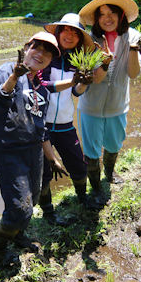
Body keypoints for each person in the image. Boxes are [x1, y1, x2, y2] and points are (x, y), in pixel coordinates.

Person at [0, 32, 66, 264]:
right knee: (20, 209)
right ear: (26, 47)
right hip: (9, 150)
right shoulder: (7, 71)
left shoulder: (40, 85)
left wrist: (51, 157)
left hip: (33, 151)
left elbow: (40, 126)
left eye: (48, 52)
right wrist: (13, 78)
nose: (41, 54)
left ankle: (18, 235)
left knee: (34, 199)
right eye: (37, 48)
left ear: (50, 60)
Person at [78, 0, 141, 204]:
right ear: (96, 19)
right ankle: (96, 188)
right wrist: (104, 61)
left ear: (121, 14)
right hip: (90, 107)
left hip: (118, 104)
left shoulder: (134, 37)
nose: (107, 18)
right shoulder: (88, 40)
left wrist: (133, 50)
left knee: (114, 144)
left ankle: (110, 174)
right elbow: (94, 79)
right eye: (102, 14)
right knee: (91, 150)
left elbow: (133, 73)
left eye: (112, 12)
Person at [38, 13, 97, 224]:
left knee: (78, 165)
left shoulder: (78, 61)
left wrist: (84, 82)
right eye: (66, 30)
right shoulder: (46, 55)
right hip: (41, 125)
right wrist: (72, 81)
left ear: (80, 38)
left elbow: (77, 93)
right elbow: (42, 86)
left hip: (64, 124)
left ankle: (83, 198)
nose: (70, 35)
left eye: (75, 32)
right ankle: (48, 213)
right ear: (59, 32)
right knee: (43, 172)